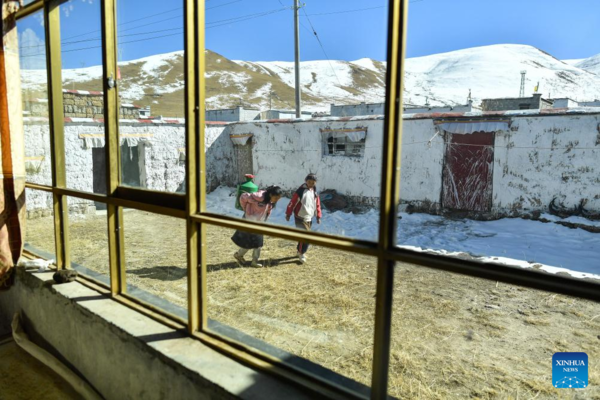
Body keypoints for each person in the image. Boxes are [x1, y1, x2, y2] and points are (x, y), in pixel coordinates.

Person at [232, 185, 282, 267]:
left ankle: (240, 256)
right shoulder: (258, 196)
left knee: (253, 242)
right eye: (276, 198)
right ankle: (253, 260)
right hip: (250, 221)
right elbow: (243, 197)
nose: (276, 200)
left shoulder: (270, 201)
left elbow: (268, 210)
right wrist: (246, 210)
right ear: (270, 195)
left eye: (278, 199)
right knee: (257, 243)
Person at [285, 173, 322, 264]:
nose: (311, 184)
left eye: (313, 183)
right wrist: (288, 213)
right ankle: (301, 253)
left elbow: (317, 205)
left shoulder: (314, 192)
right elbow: (292, 202)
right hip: (300, 217)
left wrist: (318, 216)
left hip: (309, 217)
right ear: (306, 181)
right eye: (309, 182)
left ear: (315, 183)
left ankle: (299, 251)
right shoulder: (300, 191)